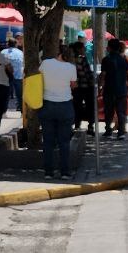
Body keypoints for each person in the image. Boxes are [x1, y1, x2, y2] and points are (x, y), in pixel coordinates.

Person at [38, 46, 78, 179]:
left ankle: (48, 172)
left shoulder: (45, 63)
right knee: (64, 141)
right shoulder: (71, 67)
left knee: (48, 141)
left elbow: (39, 79)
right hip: (65, 105)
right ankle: (65, 172)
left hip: (47, 104)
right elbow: (73, 85)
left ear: (58, 53)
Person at [101, 39, 128, 139]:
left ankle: (108, 130)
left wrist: (100, 86)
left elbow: (103, 75)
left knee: (108, 111)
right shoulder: (124, 60)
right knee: (121, 112)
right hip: (122, 90)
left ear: (109, 48)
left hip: (109, 89)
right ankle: (121, 132)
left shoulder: (106, 59)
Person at [69, 41, 96, 134]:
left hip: (76, 88)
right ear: (78, 49)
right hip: (86, 87)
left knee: (77, 107)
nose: (84, 49)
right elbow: (87, 73)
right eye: (83, 48)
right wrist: (93, 83)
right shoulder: (82, 59)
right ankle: (90, 126)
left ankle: (77, 125)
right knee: (90, 107)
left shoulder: (70, 60)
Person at [2, 37, 25, 111]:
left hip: (6, 76)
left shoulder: (2, 52)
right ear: (16, 44)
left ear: (8, 44)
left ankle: (4, 110)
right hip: (18, 76)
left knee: (5, 95)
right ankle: (21, 109)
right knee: (20, 95)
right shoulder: (20, 52)